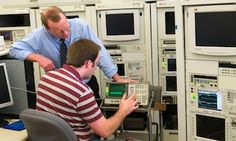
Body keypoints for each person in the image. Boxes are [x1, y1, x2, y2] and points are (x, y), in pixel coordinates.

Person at [9, 6, 136, 101]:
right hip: (60, 89)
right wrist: (38, 58)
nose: (66, 34)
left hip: (86, 84)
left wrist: (117, 77)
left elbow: (99, 52)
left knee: (94, 128)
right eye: (60, 32)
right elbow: (14, 50)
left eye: (67, 27)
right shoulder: (39, 36)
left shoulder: (80, 26)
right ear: (47, 29)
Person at [36, 39, 139, 141]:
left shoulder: (46, 78)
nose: (95, 68)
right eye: (97, 63)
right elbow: (105, 131)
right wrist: (123, 111)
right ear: (88, 63)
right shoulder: (82, 91)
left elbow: (65, 117)